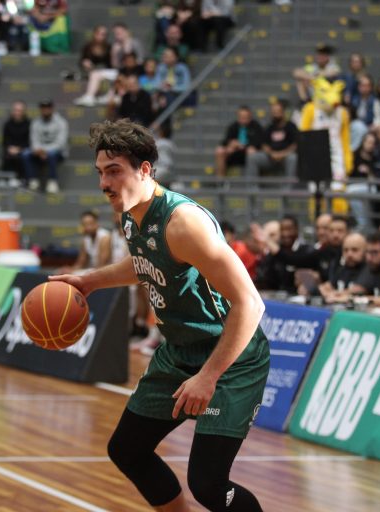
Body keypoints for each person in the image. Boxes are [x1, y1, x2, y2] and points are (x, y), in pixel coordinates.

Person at [51, 119, 269, 512]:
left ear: (145, 169)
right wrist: (91, 281)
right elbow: (144, 262)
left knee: (208, 484)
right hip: (180, 351)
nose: (104, 183)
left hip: (230, 357)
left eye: (114, 171)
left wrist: (209, 376)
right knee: (127, 449)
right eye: (100, 173)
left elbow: (251, 304)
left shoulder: (184, 224)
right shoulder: (130, 213)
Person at [24, 98, 69, 193]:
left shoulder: (61, 122)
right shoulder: (35, 122)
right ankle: (32, 181)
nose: (45, 110)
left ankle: (53, 181)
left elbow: (60, 143)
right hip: (39, 151)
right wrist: (38, 150)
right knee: (25, 154)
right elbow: (34, 140)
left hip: (57, 152)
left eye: (47, 107)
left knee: (52, 154)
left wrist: (44, 151)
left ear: (52, 109)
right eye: (43, 108)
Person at [214, 105, 264, 179]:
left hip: (248, 155)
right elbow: (225, 141)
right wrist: (230, 145)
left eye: (245, 117)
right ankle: (220, 182)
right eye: (241, 116)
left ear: (250, 116)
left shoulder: (256, 126)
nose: (243, 119)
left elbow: (258, 143)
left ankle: (251, 182)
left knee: (251, 151)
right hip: (235, 154)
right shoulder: (233, 126)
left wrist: (243, 145)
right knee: (219, 150)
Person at [319, 232, 367, 303]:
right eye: (346, 250)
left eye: (355, 250)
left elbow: (359, 290)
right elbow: (326, 286)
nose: (349, 254)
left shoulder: (369, 270)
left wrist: (335, 294)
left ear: (365, 251)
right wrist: (326, 292)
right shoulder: (342, 269)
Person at [0, 100, 31, 187]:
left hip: (24, 148)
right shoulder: (7, 124)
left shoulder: (29, 124)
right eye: (15, 110)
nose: (17, 113)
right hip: (10, 149)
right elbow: (5, 140)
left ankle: (22, 179)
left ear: (24, 111)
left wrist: (19, 148)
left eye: (19, 110)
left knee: (23, 155)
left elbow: (29, 141)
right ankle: (6, 178)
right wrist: (10, 148)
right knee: (8, 154)